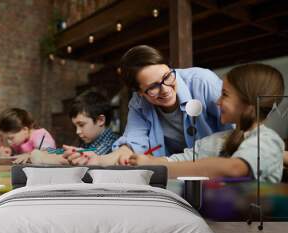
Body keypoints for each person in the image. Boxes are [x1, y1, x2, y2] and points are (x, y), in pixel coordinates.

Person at [63, 45, 230, 165]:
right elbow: (131, 146)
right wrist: (99, 160)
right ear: (140, 92)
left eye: (167, 77)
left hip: (220, 167)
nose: (165, 90)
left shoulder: (203, 82)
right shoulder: (138, 104)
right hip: (173, 173)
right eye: (153, 87)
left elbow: (237, 131)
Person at [129, 63, 285, 183]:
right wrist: (148, 161)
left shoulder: (267, 140)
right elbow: (184, 158)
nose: (217, 101)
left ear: (247, 102)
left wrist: (158, 168)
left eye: (224, 94)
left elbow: (234, 169)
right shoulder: (218, 140)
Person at [62, 91, 119, 165]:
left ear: (100, 120)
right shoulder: (84, 141)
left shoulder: (114, 144)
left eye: (81, 125)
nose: (77, 131)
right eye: (75, 126)